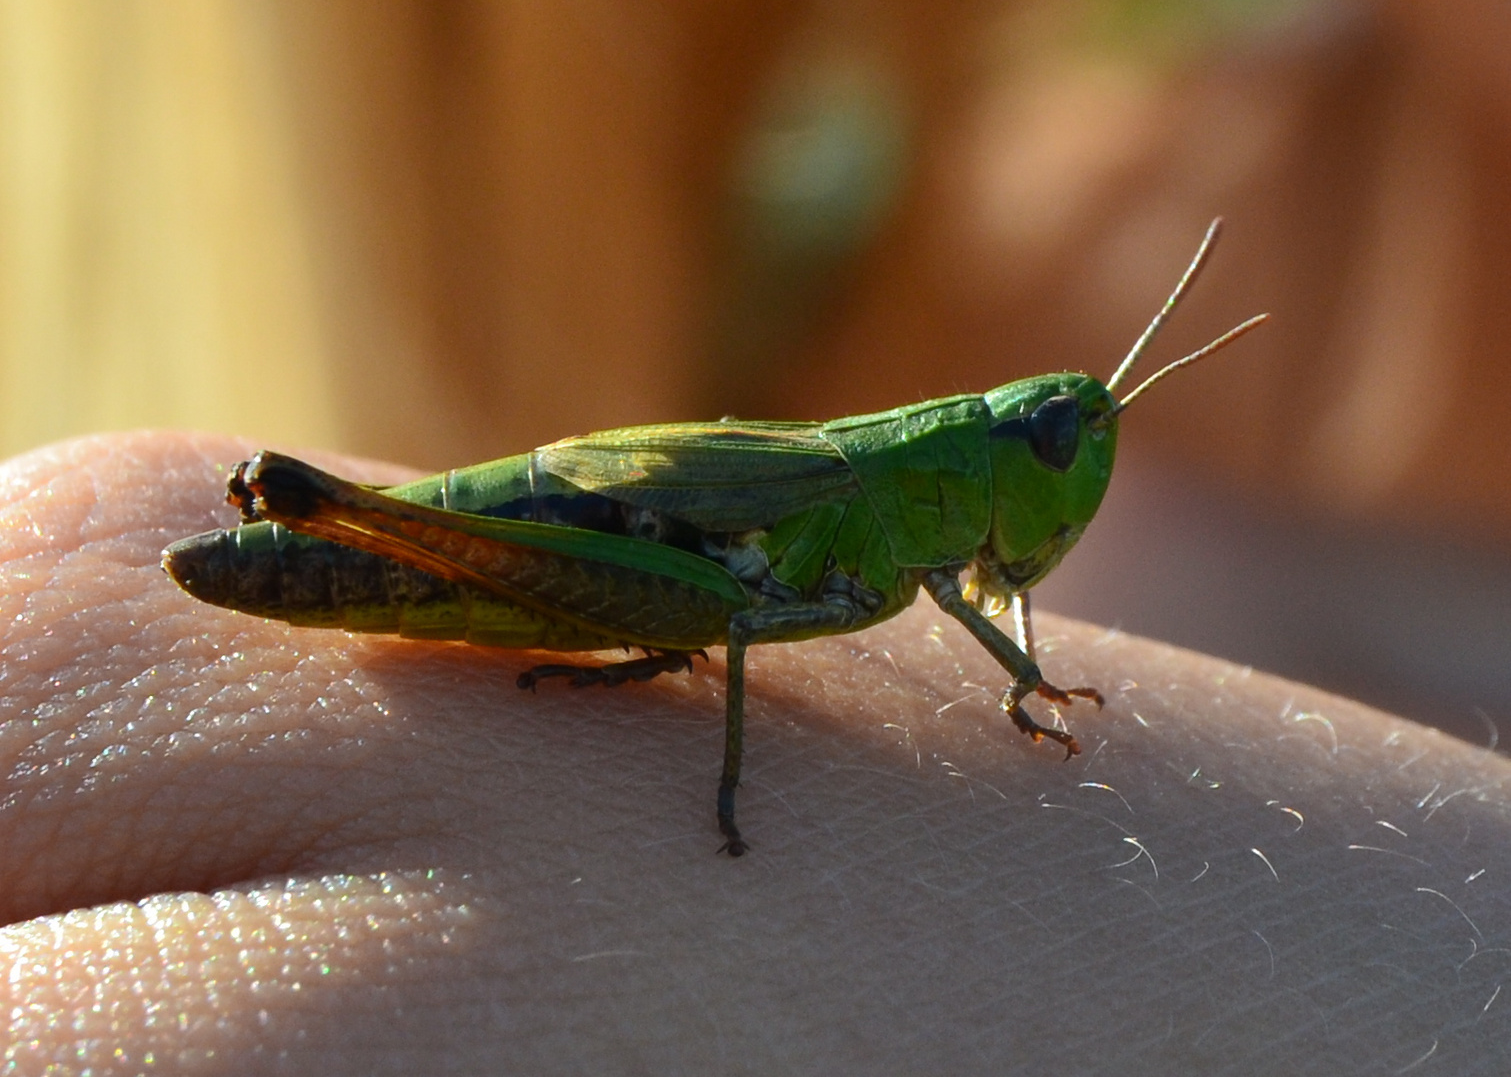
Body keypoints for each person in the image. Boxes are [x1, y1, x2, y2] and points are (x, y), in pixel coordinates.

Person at [3, 431, 1508, 1073]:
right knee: (724, 604)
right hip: (476, 549)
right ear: (969, 458)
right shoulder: (873, 498)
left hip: (633, 568)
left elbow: (914, 601)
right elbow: (744, 600)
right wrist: (720, 786)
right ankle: (321, 511)